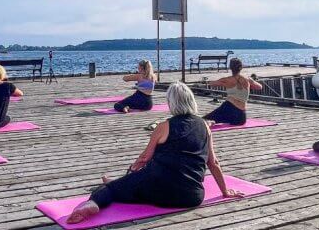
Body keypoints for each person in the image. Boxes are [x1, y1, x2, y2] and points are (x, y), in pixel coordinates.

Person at [67, 82, 243, 224]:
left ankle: (92, 203)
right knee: (127, 184)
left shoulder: (164, 126)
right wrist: (225, 190)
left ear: (171, 103)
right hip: (192, 196)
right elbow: (213, 163)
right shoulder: (205, 125)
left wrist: (131, 172)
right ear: (191, 101)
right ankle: (120, 184)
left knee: (110, 189)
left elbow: (144, 158)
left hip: (159, 190)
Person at [202, 58, 263, 126]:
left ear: (230, 68)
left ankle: (211, 121)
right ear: (241, 67)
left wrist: (206, 81)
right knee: (218, 117)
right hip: (241, 118)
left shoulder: (226, 80)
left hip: (229, 109)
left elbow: (212, 84)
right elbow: (259, 87)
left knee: (203, 120)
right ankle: (213, 121)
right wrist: (249, 86)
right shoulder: (248, 79)